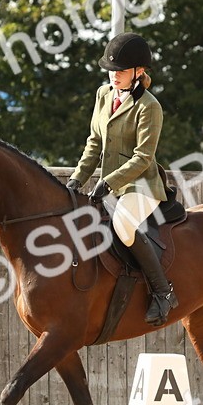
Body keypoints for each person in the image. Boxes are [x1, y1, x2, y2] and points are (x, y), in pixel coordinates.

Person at [66, 32, 179, 326]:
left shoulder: (149, 106)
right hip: (110, 184)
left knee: (123, 225)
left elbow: (143, 157)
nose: (113, 76)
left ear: (138, 72)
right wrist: (77, 179)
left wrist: (109, 182)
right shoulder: (103, 95)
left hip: (142, 185)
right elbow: (94, 142)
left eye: (121, 71)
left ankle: (163, 291)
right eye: (111, 70)